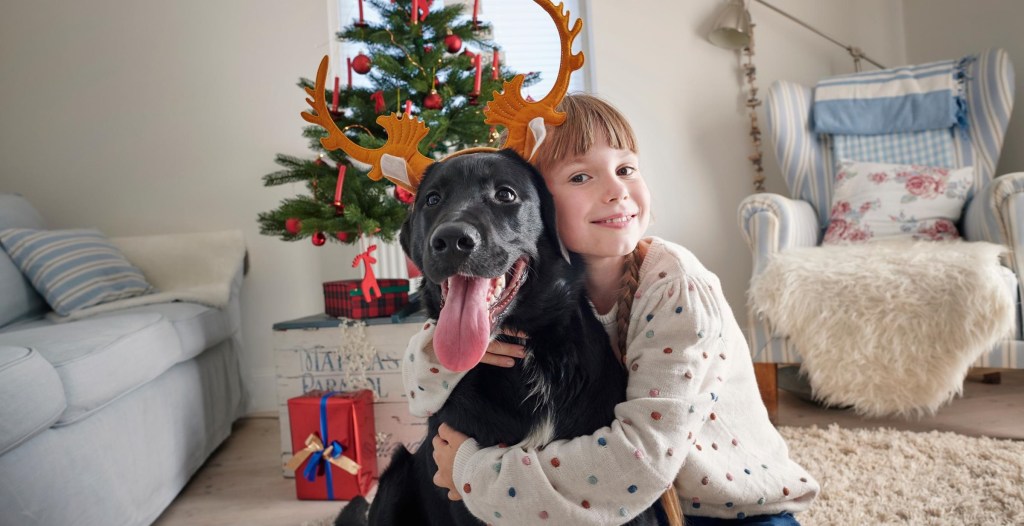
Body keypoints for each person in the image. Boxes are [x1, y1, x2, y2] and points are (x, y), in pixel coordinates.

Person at [401, 93, 819, 525]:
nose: (616, 191)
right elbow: (418, 387)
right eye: (580, 177)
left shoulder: (678, 288)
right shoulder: (550, 293)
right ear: (543, 206)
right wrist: (447, 350)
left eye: (625, 169)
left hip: (734, 509)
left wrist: (472, 472)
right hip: (638, 505)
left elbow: (640, 461)